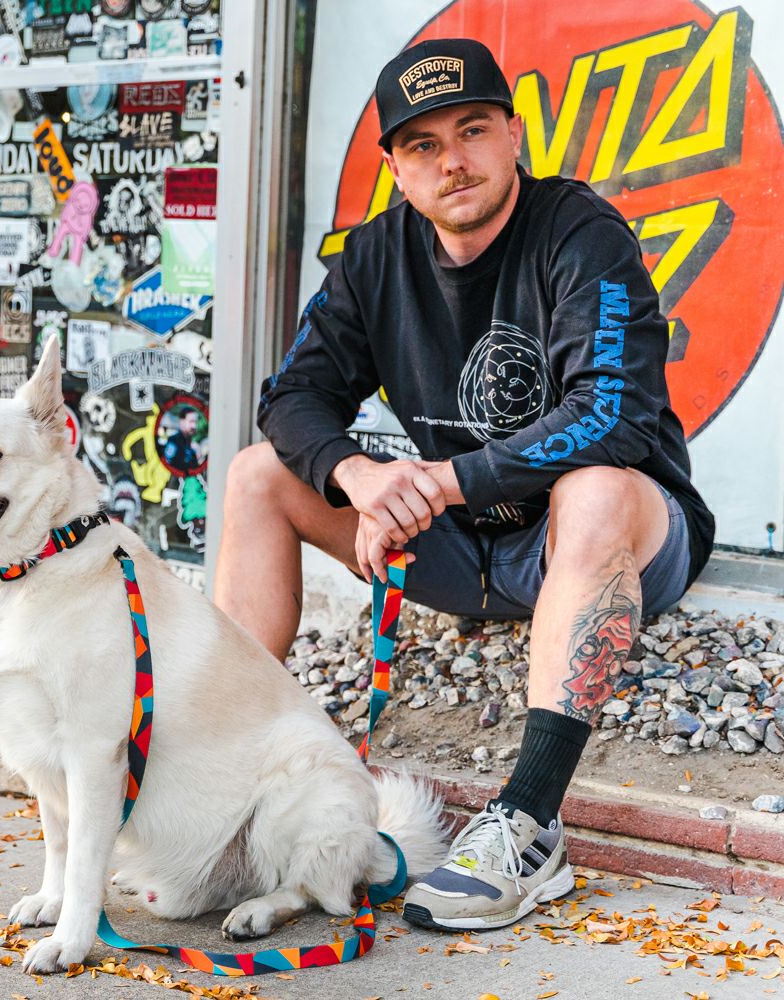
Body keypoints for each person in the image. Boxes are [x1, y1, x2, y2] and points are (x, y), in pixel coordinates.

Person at [213, 37, 715, 932]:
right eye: (423, 145)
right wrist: (360, 476)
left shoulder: (581, 234)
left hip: (600, 541)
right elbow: (290, 398)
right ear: (396, 169)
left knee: (597, 485)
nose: (452, 161)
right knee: (259, 476)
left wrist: (442, 482)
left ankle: (529, 825)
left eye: (473, 130)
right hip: (459, 552)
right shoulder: (374, 255)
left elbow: (615, 414)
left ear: (514, 135)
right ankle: (213, 775)